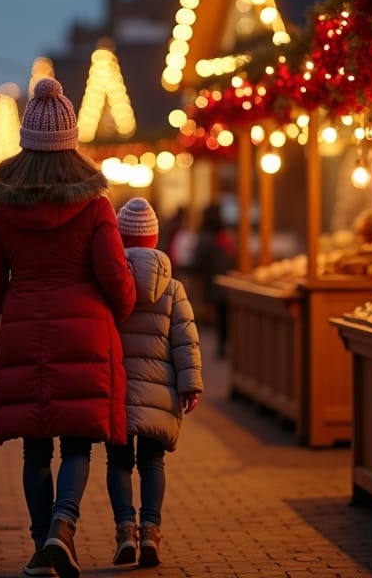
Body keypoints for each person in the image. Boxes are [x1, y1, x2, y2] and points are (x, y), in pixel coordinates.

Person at [0, 77, 136, 578]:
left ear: (26, 137)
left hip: (24, 323)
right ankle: (61, 530)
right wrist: (118, 313)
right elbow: (115, 275)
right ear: (71, 139)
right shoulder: (94, 205)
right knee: (77, 441)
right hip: (85, 330)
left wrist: (18, 306)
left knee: (35, 445)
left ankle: (40, 542)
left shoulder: (4, 207)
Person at [106, 197, 203, 568]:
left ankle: (124, 531)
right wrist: (189, 384)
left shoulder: (108, 281)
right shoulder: (173, 288)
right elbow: (185, 339)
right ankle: (151, 531)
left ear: (120, 236)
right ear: (156, 238)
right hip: (159, 389)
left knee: (117, 461)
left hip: (116, 386)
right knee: (152, 461)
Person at [192, 202, 236, 359]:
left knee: (219, 311)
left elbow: (198, 258)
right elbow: (232, 255)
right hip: (225, 276)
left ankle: (221, 345)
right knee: (224, 312)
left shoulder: (205, 235)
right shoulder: (224, 234)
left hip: (211, 278)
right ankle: (224, 343)